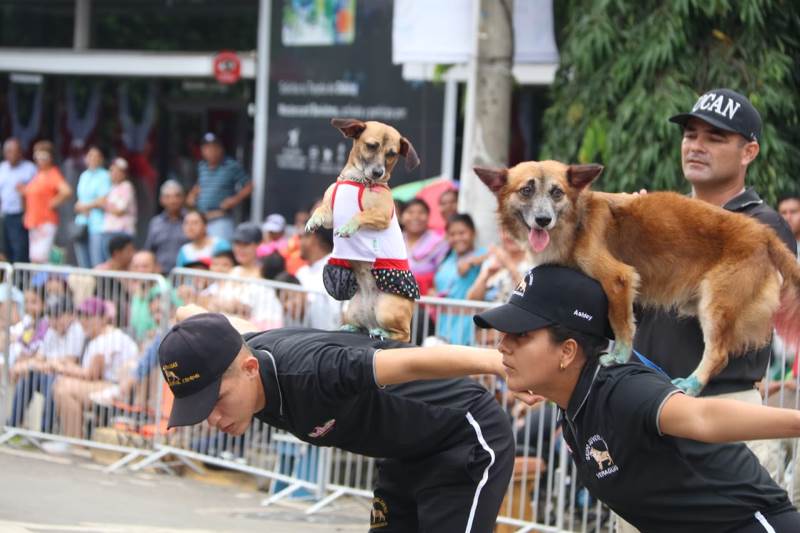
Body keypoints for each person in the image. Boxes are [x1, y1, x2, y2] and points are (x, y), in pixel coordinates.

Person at [474, 264, 800, 532]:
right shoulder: (575, 404)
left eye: (521, 334)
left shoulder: (620, 388)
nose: (503, 345)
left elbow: (702, 417)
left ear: (568, 351)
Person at [158, 307, 515, 532]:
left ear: (250, 369)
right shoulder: (243, 356)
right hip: (404, 452)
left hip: (463, 436)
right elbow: (200, 315)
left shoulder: (316, 371)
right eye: (201, 408)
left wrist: (503, 366)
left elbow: (412, 361)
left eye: (217, 400)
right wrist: (185, 322)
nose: (214, 418)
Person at [633, 89, 797, 484]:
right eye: (690, 134)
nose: (696, 146)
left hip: (723, 414)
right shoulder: (664, 217)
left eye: (715, 137)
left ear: (749, 152)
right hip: (645, 411)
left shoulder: (761, 226)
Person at [52, 297, 139, 439]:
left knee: (63, 389)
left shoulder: (109, 337)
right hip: (108, 385)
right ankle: (74, 440)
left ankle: (76, 442)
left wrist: (62, 367)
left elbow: (92, 374)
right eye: (81, 316)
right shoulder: (99, 337)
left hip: (119, 388)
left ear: (104, 318)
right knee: (61, 385)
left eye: (89, 316)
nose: (83, 320)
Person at [186, 133, 252, 242]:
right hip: (202, 219)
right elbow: (200, 184)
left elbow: (249, 186)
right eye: (206, 148)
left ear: (220, 149)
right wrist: (192, 195)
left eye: (213, 147)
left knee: (220, 249)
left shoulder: (231, 166)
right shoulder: (202, 166)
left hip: (220, 219)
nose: (210, 151)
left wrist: (235, 199)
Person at [434, 214, 487, 345]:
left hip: (468, 324)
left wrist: (472, 262)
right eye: (452, 234)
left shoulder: (483, 255)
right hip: (444, 322)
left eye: (462, 233)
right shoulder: (447, 259)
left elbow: (497, 253)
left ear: (473, 233)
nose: (457, 238)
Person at [20, 140, 72, 263]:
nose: (40, 160)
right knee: (34, 258)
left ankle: (46, 276)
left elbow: (67, 191)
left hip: (46, 221)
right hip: (34, 221)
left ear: (50, 158)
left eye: (44, 157)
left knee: (41, 258)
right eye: (37, 156)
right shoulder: (38, 174)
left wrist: (52, 203)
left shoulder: (52, 174)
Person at [295, 227, 342, 330]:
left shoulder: (336, 269)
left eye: (303, 236)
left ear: (314, 238)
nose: (299, 242)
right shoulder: (301, 272)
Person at [73, 146, 112, 267]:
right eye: (90, 155)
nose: (92, 159)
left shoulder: (105, 175)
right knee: (83, 263)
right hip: (81, 223)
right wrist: (80, 206)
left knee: (97, 262)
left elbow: (103, 200)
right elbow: (79, 200)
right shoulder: (84, 175)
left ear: (101, 159)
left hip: (98, 224)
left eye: (96, 156)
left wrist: (85, 206)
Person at [401, 198, 448, 295]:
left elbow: (443, 272)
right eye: (410, 212)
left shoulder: (438, 242)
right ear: (402, 216)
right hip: (397, 294)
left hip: (427, 297)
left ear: (428, 216)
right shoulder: (395, 240)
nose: (416, 217)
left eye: (421, 212)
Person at [0, 138, 36, 262]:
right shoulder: (2, 168)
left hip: (22, 215)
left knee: (20, 249)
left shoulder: (30, 168)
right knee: (5, 249)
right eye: (8, 151)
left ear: (20, 152)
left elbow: (37, 193)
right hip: (4, 215)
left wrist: (25, 191)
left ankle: (20, 275)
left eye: (14, 151)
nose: (10, 155)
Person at [144, 179, 188, 274]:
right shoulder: (155, 222)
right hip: (160, 276)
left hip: (185, 275)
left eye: (176, 196)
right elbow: (149, 250)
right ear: (161, 200)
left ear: (183, 198)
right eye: (168, 197)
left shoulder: (190, 220)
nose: (172, 201)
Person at [101, 157, 137, 254]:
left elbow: (119, 211)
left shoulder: (127, 186)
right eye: (112, 171)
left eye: (117, 171)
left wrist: (104, 205)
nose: (113, 174)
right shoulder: (112, 187)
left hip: (122, 231)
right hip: (110, 230)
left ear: (124, 173)